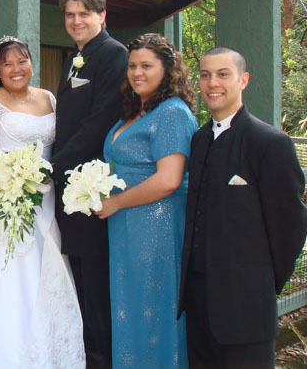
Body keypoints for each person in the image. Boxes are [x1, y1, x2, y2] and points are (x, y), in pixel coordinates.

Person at [178, 47, 307, 369]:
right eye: (205, 75)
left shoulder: (270, 143)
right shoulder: (198, 139)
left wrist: (261, 283)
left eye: (223, 74)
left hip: (245, 306)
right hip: (197, 303)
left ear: (243, 79)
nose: (213, 83)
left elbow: (290, 227)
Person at [0, 36, 85, 368]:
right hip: (7, 197)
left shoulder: (49, 98)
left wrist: (42, 174)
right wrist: (15, 173)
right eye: (8, 64)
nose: (16, 69)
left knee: (44, 268)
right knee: (6, 273)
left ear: (32, 62)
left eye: (22, 61)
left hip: (44, 202)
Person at [95, 34, 197, 368]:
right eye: (133, 66)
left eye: (147, 66)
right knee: (131, 306)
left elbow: (169, 180)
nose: (137, 72)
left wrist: (116, 203)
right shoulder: (136, 111)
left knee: (155, 309)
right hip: (126, 228)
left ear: (167, 70)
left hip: (157, 228)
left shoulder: (172, 113)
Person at [50, 0, 128, 369]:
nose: (76, 20)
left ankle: (102, 360)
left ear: (102, 15)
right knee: (79, 281)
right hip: (71, 189)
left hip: (92, 189)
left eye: (84, 13)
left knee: (96, 287)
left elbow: (99, 122)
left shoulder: (114, 55)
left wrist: (55, 164)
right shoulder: (75, 57)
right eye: (70, 14)